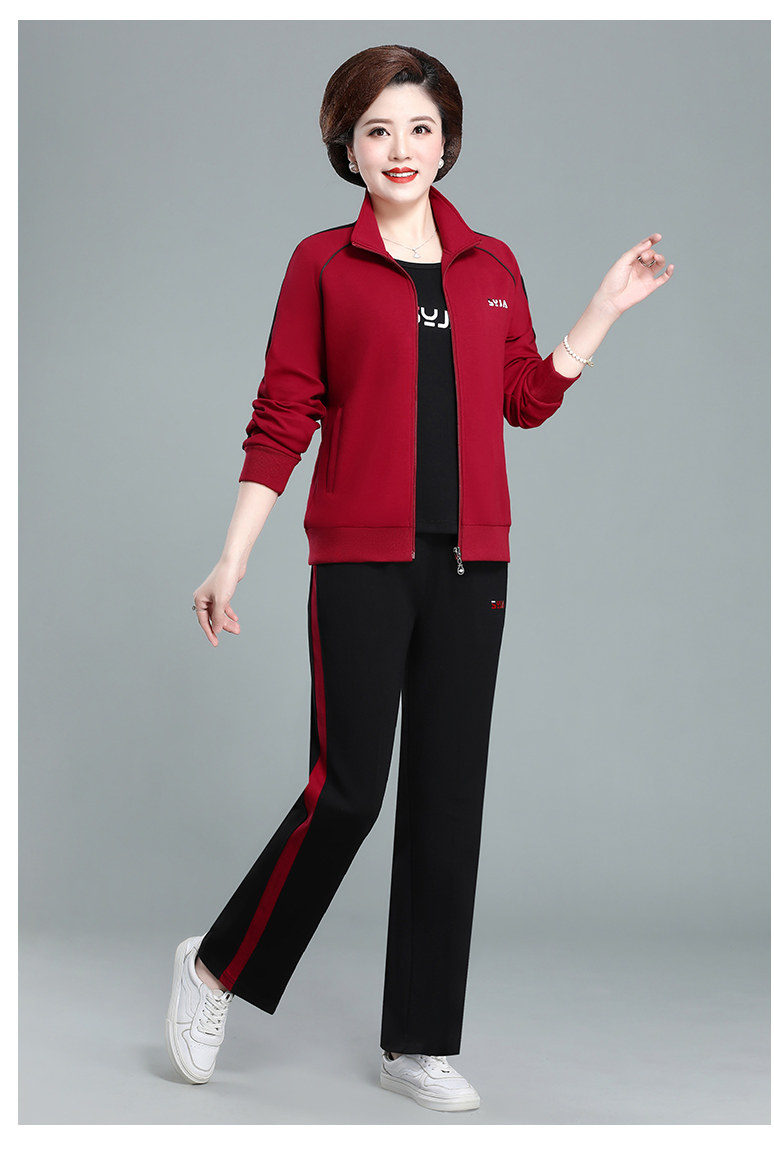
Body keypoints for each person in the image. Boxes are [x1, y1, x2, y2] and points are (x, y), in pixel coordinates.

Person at [165, 43, 673, 1112]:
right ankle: (213, 966)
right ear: (346, 147)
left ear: (448, 144)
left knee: (448, 797)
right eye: (378, 130)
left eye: (422, 129)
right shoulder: (321, 264)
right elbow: (283, 414)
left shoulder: (491, 264)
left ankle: (420, 1042)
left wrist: (604, 309)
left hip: (473, 562)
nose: (401, 148)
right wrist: (233, 553)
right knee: (347, 791)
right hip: (360, 561)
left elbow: (524, 399)